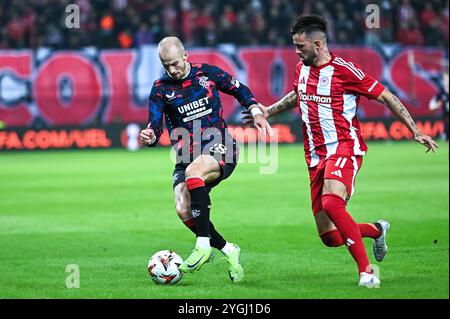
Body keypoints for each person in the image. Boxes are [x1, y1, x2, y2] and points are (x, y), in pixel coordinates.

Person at [244, 15, 439, 287]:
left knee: (332, 202)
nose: (296, 52)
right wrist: (268, 110)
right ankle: (377, 229)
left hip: (344, 147)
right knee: (329, 237)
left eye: (300, 46)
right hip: (314, 156)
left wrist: (415, 130)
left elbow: (387, 96)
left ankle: (366, 273)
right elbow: (297, 95)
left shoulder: (345, 71)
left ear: (318, 43)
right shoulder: (302, 67)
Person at [139, 36, 272, 282]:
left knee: (194, 172)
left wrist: (254, 110)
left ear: (186, 55)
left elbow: (238, 88)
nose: (172, 69)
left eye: (175, 63)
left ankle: (202, 245)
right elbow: (154, 125)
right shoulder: (160, 89)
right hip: (185, 156)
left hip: (221, 147)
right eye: (166, 65)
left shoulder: (206, 74)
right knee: (182, 208)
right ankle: (228, 250)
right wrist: (149, 135)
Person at [429, 69, 449, 142]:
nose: (447, 81)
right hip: (447, 120)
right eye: (446, 79)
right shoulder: (441, 93)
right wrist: (439, 104)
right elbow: (431, 107)